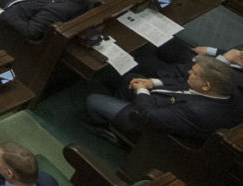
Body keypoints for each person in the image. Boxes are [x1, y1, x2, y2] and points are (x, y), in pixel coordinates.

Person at [85, 54, 243, 142]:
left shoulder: (196, 111)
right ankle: (117, 109)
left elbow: (149, 116)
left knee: (93, 100)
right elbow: (185, 83)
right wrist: (151, 82)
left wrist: (142, 90)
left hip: (148, 127)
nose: (189, 72)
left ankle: (107, 128)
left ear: (207, 86)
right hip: (165, 104)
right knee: (132, 78)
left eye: (194, 73)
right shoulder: (226, 90)